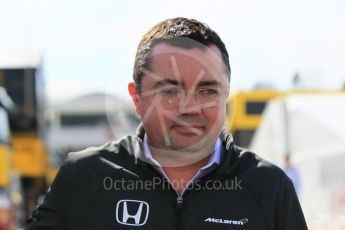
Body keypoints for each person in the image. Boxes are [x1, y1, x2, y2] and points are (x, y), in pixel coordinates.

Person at [26, 17, 308, 230]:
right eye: (170, 91)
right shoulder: (83, 178)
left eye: (207, 91)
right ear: (136, 98)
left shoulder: (270, 187)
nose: (189, 108)